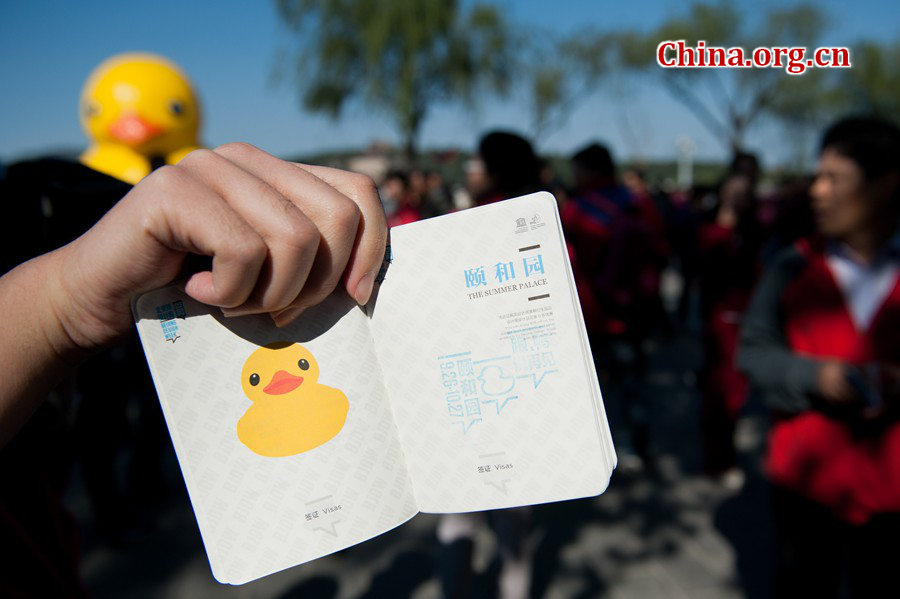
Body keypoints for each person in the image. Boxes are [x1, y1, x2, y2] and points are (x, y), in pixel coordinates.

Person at [738, 116, 900, 598]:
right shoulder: (792, 266)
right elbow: (753, 352)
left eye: (834, 179)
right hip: (806, 484)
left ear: (885, 186)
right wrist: (814, 375)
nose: (818, 191)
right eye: (816, 177)